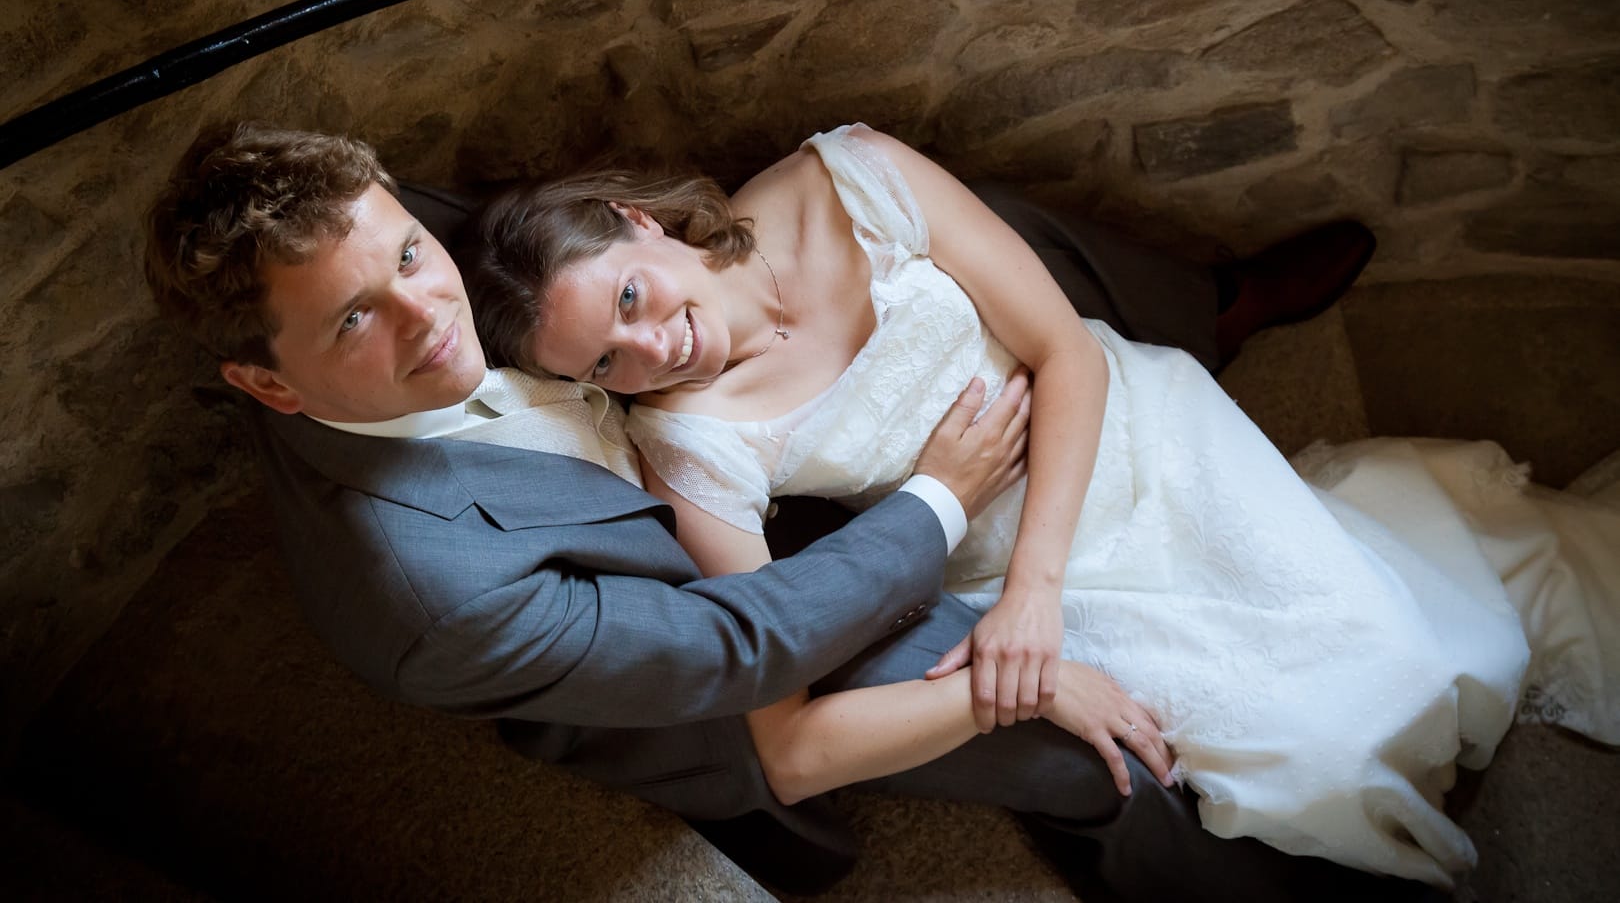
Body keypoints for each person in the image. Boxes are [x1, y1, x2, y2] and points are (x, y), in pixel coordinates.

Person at [143, 121, 1413, 903]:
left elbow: (557, 272)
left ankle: (1202, 303)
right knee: (1080, 733)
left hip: (728, 479)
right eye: (357, 319)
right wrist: (944, 515)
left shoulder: (390, 238)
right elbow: (743, 649)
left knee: (953, 261)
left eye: (409, 256)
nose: (431, 314)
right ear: (265, 380)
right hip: (678, 644)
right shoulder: (429, 594)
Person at [467, 122, 1620, 891]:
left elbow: (1065, 354)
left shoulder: (848, 177)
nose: (650, 347)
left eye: (628, 297)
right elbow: (788, 722)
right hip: (988, 553)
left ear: (640, 220)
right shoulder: (687, 441)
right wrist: (1011, 651)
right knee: (1308, 757)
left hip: (1127, 438)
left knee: (1402, 668)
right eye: (605, 363)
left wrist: (1036, 595)